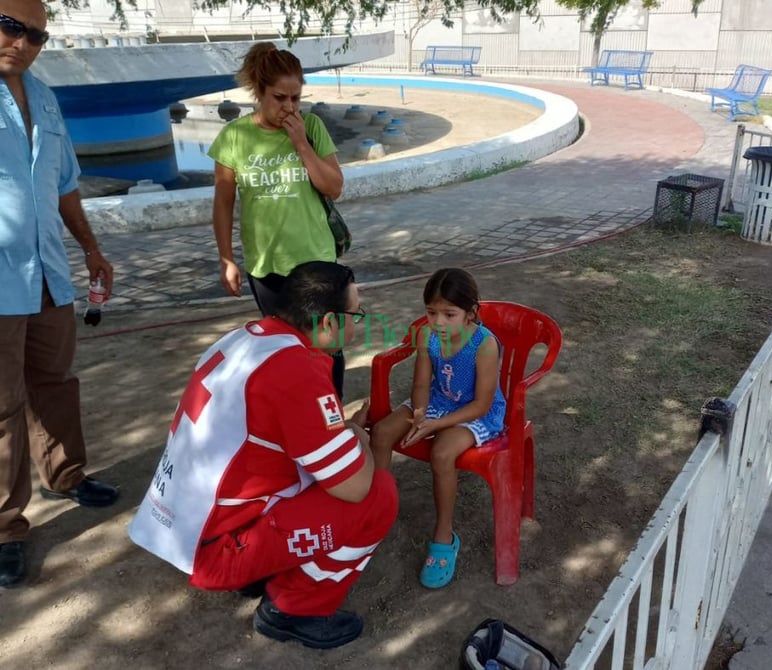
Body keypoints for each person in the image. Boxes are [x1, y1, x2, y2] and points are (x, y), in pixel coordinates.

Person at [128, 261, 398, 650]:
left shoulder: (249, 338)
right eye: (356, 313)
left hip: (182, 528)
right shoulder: (296, 371)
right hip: (214, 549)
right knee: (378, 496)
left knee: (319, 475)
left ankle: (261, 568)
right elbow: (355, 487)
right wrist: (359, 435)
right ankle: (292, 609)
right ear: (326, 322)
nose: (359, 322)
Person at [0, 0, 119, 590]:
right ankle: (4, 528)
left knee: (54, 381)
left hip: (48, 272)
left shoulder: (43, 96)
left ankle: (66, 476)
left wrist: (92, 250)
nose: (23, 43)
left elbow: (66, 184)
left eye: (37, 36)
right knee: (1, 404)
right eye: (10, 27)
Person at [209, 41, 347, 398]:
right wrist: (227, 258)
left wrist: (301, 143)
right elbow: (223, 203)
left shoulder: (311, 127)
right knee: (284, 349)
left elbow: (334, 187)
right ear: (259, 92)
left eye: (295, 98)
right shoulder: (234, 136)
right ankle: (298, 418)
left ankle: (331, 424)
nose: (288, 107)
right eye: (279, 98)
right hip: (266, 264)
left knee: (327, 348)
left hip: (316, 260)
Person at [370, 268, 506, 589]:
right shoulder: (427, 336)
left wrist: (435, 424)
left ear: (471, 313)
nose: (439, 322)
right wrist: (419, 413)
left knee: (442, 453)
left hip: (475, 412)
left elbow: (482, 404)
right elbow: (420, 383)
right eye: (431, 312)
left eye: (449, 314)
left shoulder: (484, 345)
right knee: (381, 432)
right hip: (438, 400)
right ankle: (375, 513)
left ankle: (444, 536)